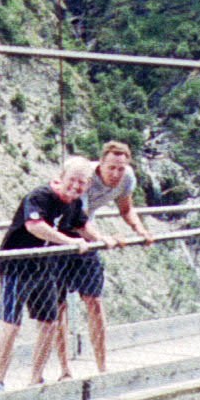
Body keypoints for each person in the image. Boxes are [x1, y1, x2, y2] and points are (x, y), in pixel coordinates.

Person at [0, 159, 93, 390]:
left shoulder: (74, 204)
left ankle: (36, 377)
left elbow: (83, 226)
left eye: (82, 182)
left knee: (49, 322)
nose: (76, 187)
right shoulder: (40, 197)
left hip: (44, 266)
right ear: (61, 177)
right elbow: (34, 225)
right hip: (16, 265)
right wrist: (71, 241)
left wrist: (102, 239)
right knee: (11, 324)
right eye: (72, 180)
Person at [62, 140, 152, 373]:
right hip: (61, 236)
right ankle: (64, 370)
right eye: (110, 167)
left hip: (88, 239)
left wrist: (140, 230)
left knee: (94, 301)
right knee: (58, 305)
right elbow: (77, 219)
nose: (115, 173)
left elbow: (126, 209)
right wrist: (106, 239)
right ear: (100, 164)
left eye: (120, 168)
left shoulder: (127, 178)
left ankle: (102, 367)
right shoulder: (86, 179)